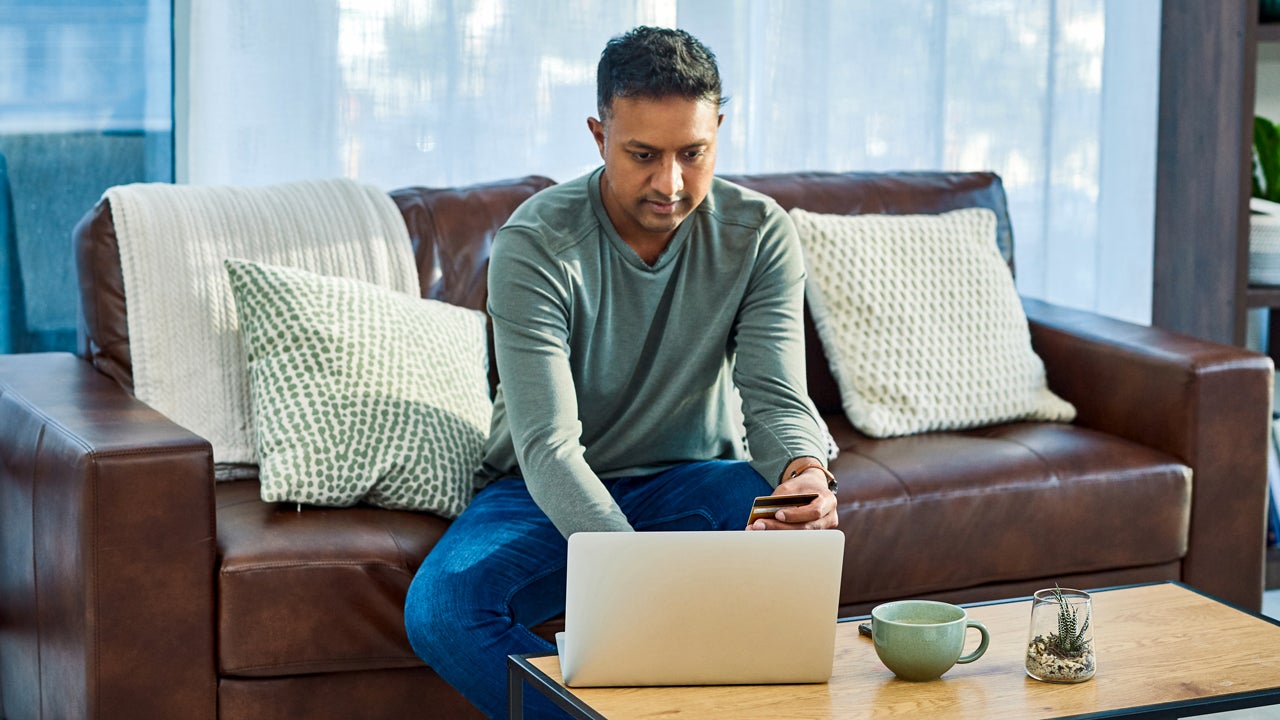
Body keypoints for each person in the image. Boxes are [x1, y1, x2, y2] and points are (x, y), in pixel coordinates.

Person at [404, 26, 837, 719]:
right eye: (643, 155)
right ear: (598, 133)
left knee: (783, 522)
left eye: (693, 153)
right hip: (543, 492)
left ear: (719, 130)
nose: (670, 184)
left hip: (692, 482)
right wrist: (636, 579)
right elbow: (548, 446)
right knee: (441, 609)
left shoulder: (759, 233)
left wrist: (804, 474)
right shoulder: (535, 245)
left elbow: (775, 398)